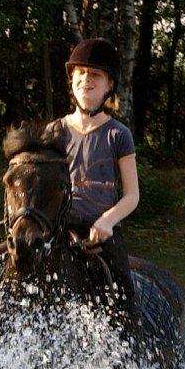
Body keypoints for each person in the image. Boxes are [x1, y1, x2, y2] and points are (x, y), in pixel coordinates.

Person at [41, 38, 141, 325]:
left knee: (122, 286)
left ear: (109, 85)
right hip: (56, 229)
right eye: (80, 73)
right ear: (72, 80)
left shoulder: (118, 135)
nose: (86, 80)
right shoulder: (53, 132)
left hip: (100, 234)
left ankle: (133, 346)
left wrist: (108, 221)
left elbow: (132, 196)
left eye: (95, 74)